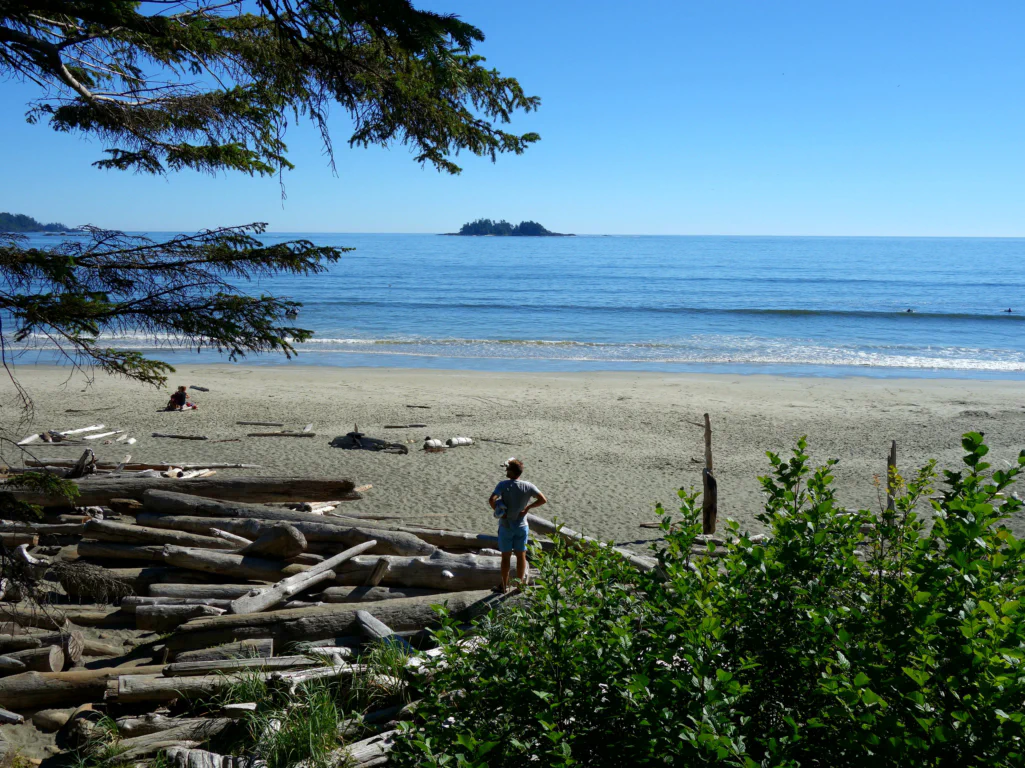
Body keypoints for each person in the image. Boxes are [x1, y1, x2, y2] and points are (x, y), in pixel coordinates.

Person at [488, 458, 547, 593]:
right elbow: (543, 500)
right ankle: (520, 585)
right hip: (522, 526)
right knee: (521, 556)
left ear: (512, 472)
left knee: (506, 557)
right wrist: (527, 508)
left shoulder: (503, 484)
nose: (506, 470)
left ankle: (504, 586)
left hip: (506, 526)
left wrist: (498, 512)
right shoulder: (528, 486)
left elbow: (492, 499)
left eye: (508, 469)